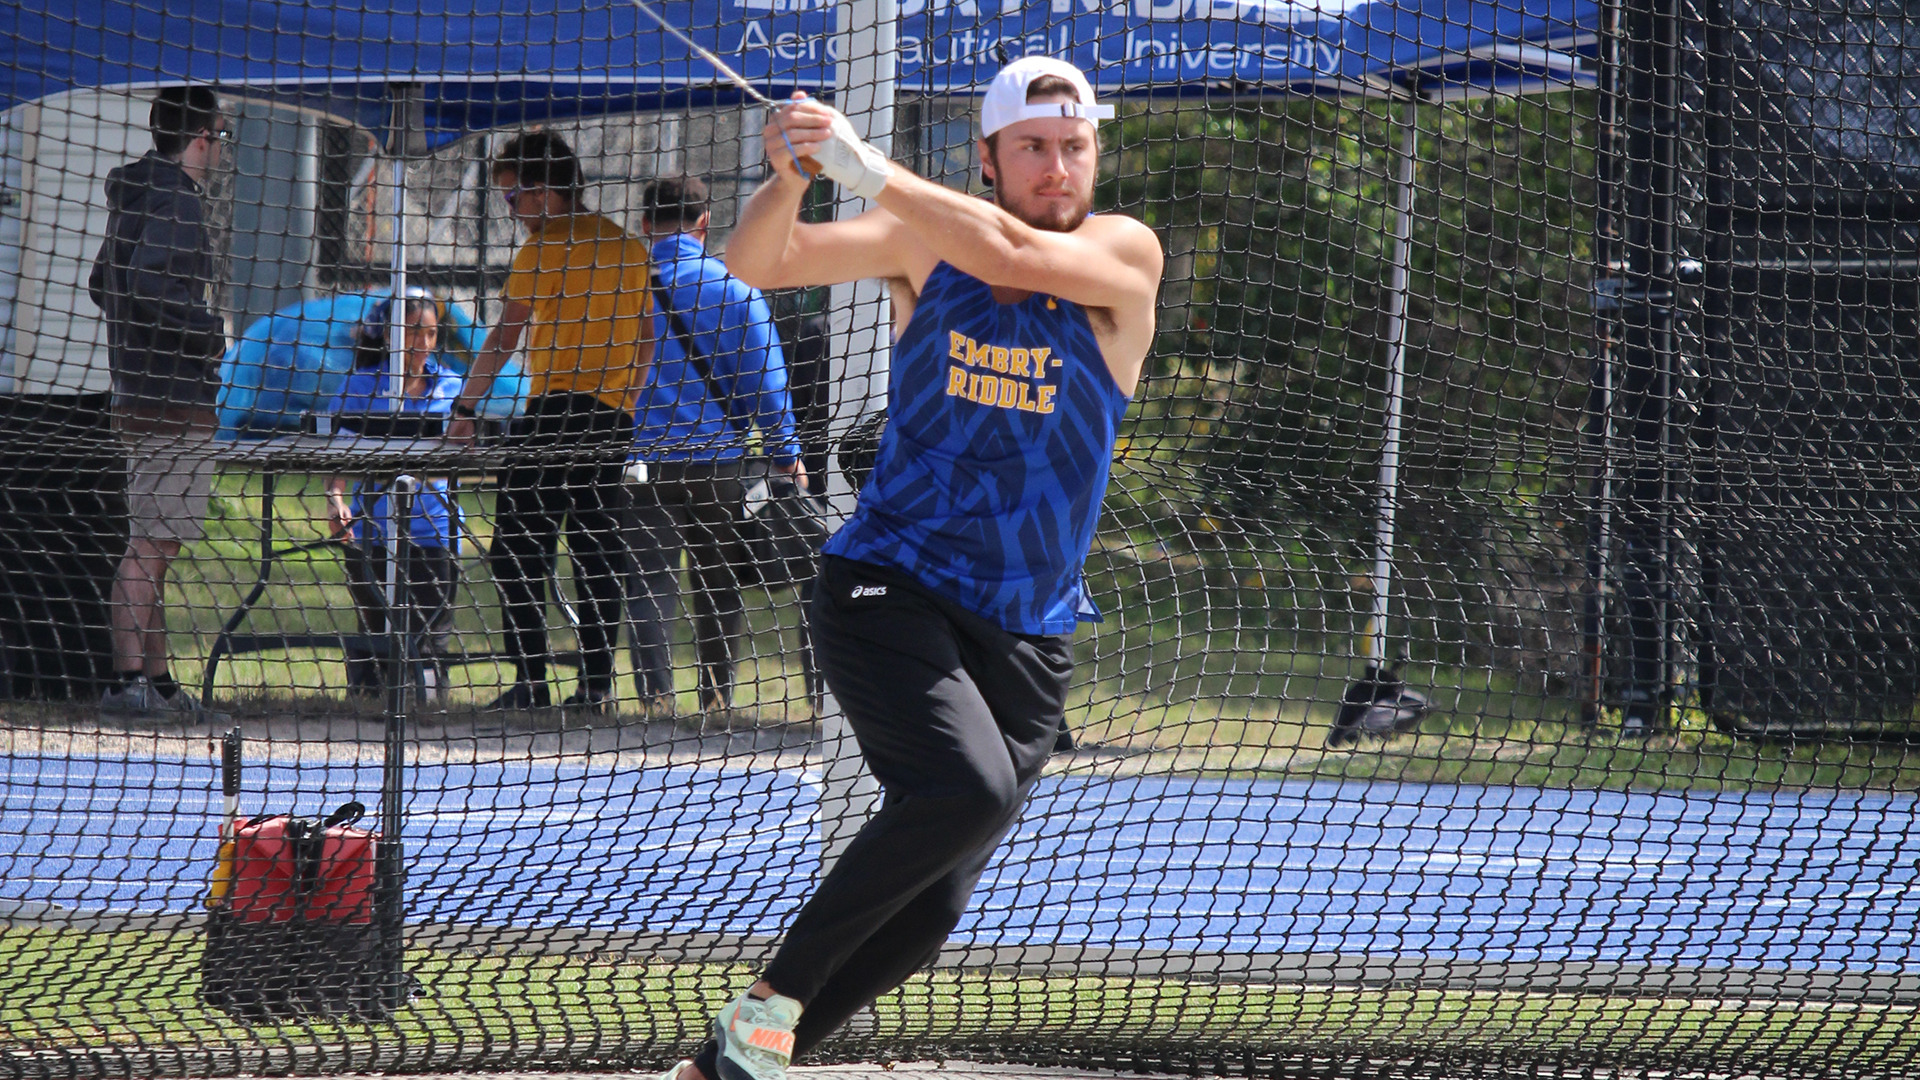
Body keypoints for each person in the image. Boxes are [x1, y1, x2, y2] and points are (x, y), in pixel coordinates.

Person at [664, 57, 1164, 1080]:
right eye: (1032, 147)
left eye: (1075, 148)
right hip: (890, 581)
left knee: (930, 912)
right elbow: (761, 263)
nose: (1058, 167)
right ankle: (775, 997)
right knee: (967, 790)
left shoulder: (1124, 251)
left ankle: (729, 1070)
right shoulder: (921, 243)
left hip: (1027, 626)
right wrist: (797, 173)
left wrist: (865, 163)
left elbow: (1017, 257)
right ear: (987, 158)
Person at [446, 131, 656, 715]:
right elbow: (646, 340)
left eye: (514, 197)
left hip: (556, 412)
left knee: (516, 548)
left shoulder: (544, 250)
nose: (510, 211)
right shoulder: (627, 245)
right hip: (611, 420)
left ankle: (532, 679)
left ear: (546, 191)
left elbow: (503, 338)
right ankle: (595, 684)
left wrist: (465, 412)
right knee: (596, 549)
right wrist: (626, 404)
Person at [626, 176, 807, 717]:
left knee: (649, 581)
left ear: (643, 225)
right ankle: (716, 697)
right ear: (704, 224)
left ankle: (655, 697)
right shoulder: (735, 286)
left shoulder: (618, 286)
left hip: (644, 461)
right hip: (719, 460)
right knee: (718, 579)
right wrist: (787, 453)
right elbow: (767, 387)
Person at [88, 85, 231, 719]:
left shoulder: (136, 196)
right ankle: (128, 684)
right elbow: (146, 283)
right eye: (222, 136)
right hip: (171, 398)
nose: (224, 149)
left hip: (138, 392)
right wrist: (207, 331)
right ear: (201, 138)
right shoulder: (176, 199)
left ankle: (159, 683)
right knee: (150, 548)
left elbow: (102, 283)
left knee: (157, 541)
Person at [325, 295, 465, 702]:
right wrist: (335, 497)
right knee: (375, 634)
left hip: (434, 534)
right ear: (389, 336)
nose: (422, 344)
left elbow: (463, 452)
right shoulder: (358, 386)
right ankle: (365, 695)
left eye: (430, 333)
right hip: (373, 531)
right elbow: (336, 453)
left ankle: (428, 701)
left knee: (427, 645)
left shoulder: (454, 387)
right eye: (412, 334)